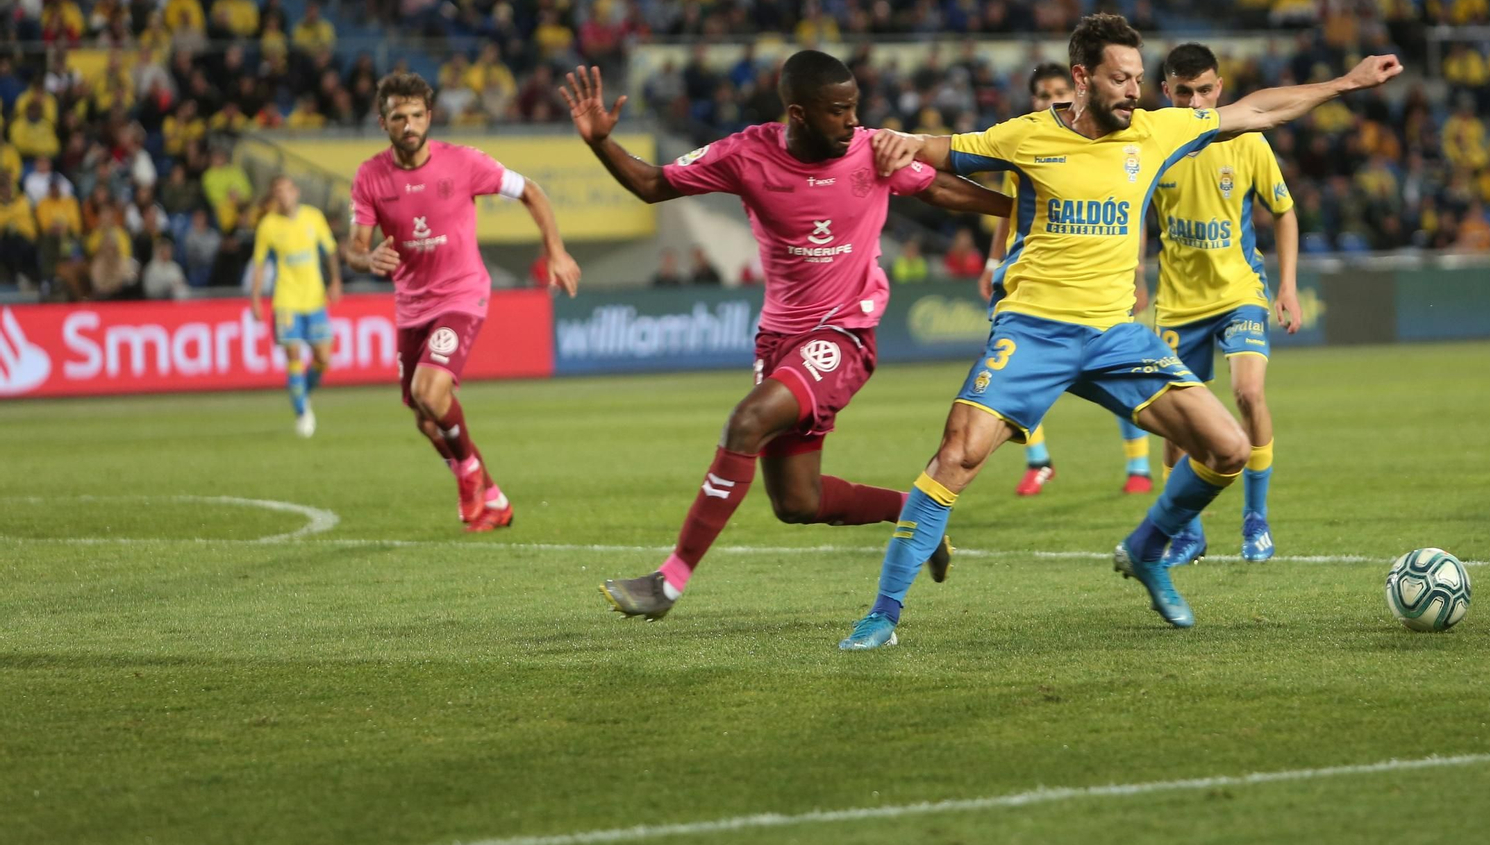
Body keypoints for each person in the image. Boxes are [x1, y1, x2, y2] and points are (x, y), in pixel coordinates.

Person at [841, 14, 1399, 649]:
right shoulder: (1025, 136)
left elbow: (1258, 111)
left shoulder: (1159, 131)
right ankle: (883, 615)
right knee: (956, 457)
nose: (1135, 90)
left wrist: (1346, 83)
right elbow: (937, 150)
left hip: (1116, 336)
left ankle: (1147, 549)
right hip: (1034, 331)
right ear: (1082, 77)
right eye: (1120, 78)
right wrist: (895, 139)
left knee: (1229, 449)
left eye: (1138, 77)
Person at [561, 54, 1015, 620]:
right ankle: (916, 511)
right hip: (780, 339)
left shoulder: (871, 151)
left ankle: (667, 582)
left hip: (845, 333)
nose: (853, 122)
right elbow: (653, 185)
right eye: (838, 111)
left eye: (855, 108)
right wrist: (601, 143)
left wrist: (1022, 206)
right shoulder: (745, 154)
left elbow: (940, 191)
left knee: (746, 422)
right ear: (798, 113)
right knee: (798, 503)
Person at [344, 70, 581, 532]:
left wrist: (554, 250)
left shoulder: (464, 162)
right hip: (411, 305)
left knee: (428, 392)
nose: (408, 125)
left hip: (461, 294)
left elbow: (531, 190)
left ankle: (468, 472)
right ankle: (493, 496)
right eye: (398, 117)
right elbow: (352, 246)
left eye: (416, 115)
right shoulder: (370, 176)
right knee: (425, 420)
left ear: (430, 116)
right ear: (383, 122)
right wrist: (365, 257)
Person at [1150, 43, 1302, 566]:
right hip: (1177, 302)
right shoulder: (1149, 145)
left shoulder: (1248, 142)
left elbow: (1283, 212)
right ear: (1165, 91)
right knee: (1176, 420)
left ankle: (1255, 520)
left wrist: (1287, 287)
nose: (1196, 102)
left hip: (1239, 291)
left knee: (1247, 392)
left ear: (1221, 88)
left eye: (1206, 90)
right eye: (1184, 92)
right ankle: (1185, 530)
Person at [978, 62, 1156, 498]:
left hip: (1100, 283)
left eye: (1057, 91)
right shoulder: (1026, 145)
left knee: (1121, 371)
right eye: (1041, 94)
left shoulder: (1112, 142)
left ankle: (1139, 465)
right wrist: (991, 263)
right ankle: (1038, 461)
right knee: (1012, 376)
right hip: (1034, 285)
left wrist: (1137, 269)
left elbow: (1132, 212)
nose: (1049, 100)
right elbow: (1009, 210)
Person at [250, 176, 340, 437]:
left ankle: (304, 392)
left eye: (286, 191)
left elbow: (330, 250)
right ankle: (302, 413)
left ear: (296, 192)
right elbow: (259, 264)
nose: (283, 196)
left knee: (323, 359)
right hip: (286, 301)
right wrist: (255, 299)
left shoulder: (313, 217)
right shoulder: (267, 225)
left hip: (314, 299)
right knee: (293, 356)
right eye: (277, 192)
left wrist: (334, 281)